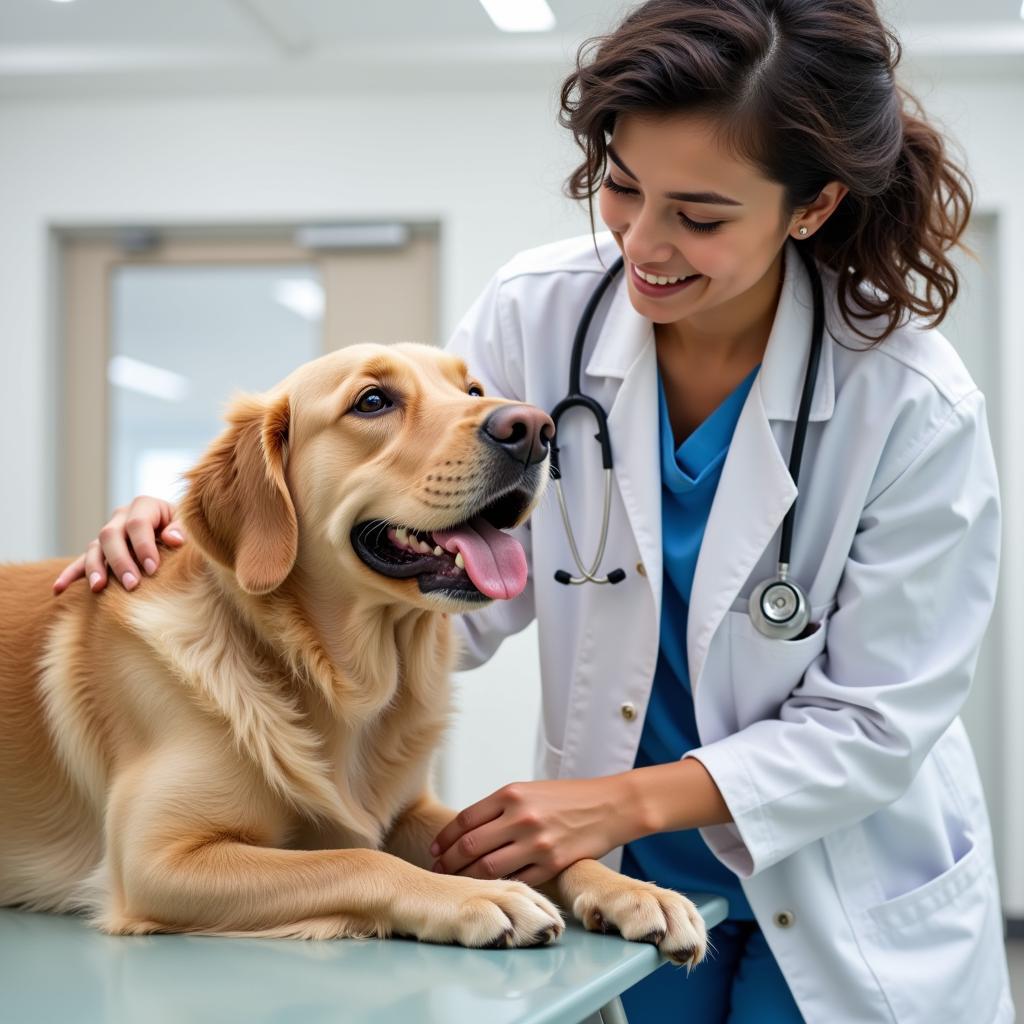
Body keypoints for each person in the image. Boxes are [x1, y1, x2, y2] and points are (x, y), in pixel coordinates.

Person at [52, 1, 1014, 1020]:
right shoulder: (541, 312)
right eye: (624, 186)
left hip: (837, 882)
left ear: (811, 207)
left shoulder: (910, 403)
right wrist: (200, 536)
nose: (643, 244)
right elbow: (426, 546)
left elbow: (872, 721)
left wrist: (614, 803)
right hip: (621, 877)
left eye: (699, 215)